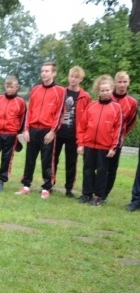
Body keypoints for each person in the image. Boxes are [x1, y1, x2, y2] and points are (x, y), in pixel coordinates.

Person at [16, 61, 66, 198]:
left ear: (54, 73)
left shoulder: (60, 91)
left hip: (47, 130)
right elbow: (29, 110)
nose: (44, 73)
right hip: (33, 129)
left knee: (47, 160)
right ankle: (26, 185)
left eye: (47, 71)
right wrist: (26, 129)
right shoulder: (35, 89)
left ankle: (47, 187)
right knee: (30, 159)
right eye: (42, 71)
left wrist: (52, 131)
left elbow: (60, 113)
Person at [76, 75, 123, 207]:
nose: (105, 93)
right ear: (98, 91)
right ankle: (86, 194)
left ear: (111, 90)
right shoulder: (91, 106)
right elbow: (82, 126)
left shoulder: (116, 108)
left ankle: (98, 196)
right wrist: (80, 144)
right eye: (102, 90)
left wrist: (113, 147)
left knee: (102, 171)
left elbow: (118, 129)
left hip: (105, 146)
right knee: (88, 169)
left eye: (107, 90)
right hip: (89, 144)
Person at [54, 66, 91, 197]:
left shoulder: (85, 97)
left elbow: (87, 117)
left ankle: (69, 188)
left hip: (73, 134)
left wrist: (83, 137)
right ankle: (50, 184)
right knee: (53, 159)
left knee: (71, 162)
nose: (73, 79)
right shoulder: (61, 92)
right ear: (68, 77)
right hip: (58, 132)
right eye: (71, 76)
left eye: (76, 77)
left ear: (81, 79)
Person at [0, 76, 26, 192]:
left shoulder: (20, 102)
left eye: (12, 87)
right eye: (7, 86)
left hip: (11, 134)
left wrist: (16, 131)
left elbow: (22, 117)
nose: (9, 89)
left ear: (16, 87)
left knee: (6, 158)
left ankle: (1, 180)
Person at [106, 71, 137, 202]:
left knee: (112, 168)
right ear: (115, 83)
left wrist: (122, 133)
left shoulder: (132, 102)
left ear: (128, 83)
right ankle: (94, 189)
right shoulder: (107, 96)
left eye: (124, 82)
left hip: (117, 140)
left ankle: (104, 194)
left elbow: (131, 121)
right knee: (99, 165)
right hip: (103, 138)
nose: (122, 85)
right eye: (119, 82)